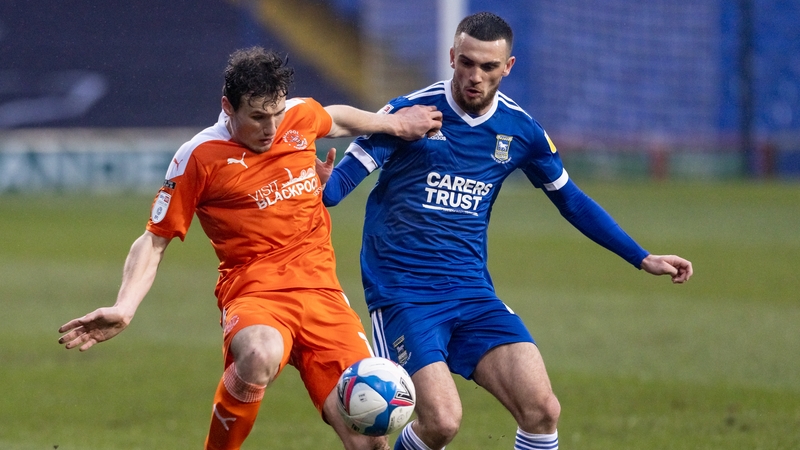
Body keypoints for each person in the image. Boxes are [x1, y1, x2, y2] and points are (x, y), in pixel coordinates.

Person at [318, 12, 693, 450]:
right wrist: (321, 181)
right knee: (441, 422)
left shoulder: (520, 130)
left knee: (542, 410)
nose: (475, 76)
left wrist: (641, 256)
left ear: (508, 67)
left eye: (488, 67)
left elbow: (571, 200)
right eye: (467, 63)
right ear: (452, 56)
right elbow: (336, 189)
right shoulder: (408, 115)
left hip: (472, 292)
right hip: (404, 293)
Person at [57, 46, 442, 450]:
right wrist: (125, 306)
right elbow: (154, 240)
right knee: (259, 354)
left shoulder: (298, 115)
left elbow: (337, 118)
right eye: (257, 117)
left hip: (322, 295)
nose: (270, 127)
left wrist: (396, 125)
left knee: (369, 440)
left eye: (276, 114)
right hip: (254, 293)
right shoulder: (199, 157)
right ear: (228, 107)